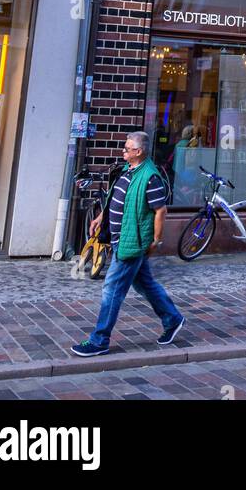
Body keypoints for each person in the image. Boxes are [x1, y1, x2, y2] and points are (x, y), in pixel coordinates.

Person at [70, 131, 185, 357]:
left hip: (131, 243)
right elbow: (116, 198)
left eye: (127, 148)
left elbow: (160, 211)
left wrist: (156, 241)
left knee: (111, 290)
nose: (123, 151)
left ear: (138, 151)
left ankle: (100, 339)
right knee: (145, 284)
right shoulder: (127, 170)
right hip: (120, 238)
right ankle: (173, 319)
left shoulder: (150, 177)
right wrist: (101, 217)